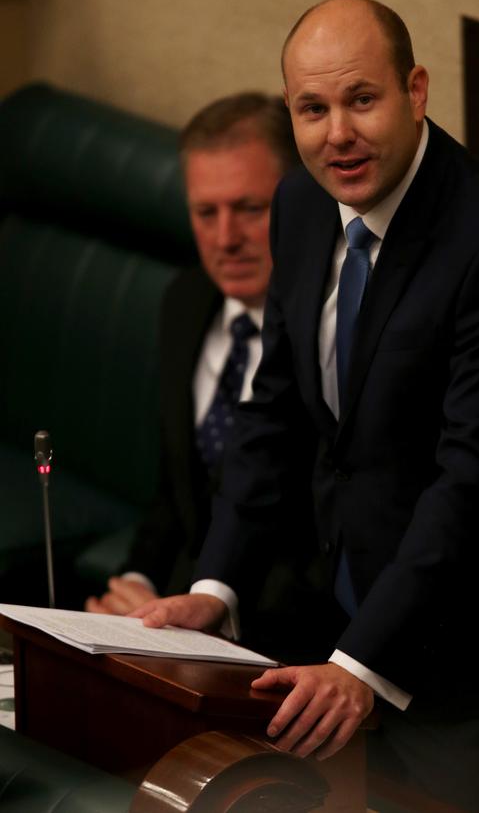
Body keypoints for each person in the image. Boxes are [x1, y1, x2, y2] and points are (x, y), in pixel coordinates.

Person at [132, 0, 479, 811]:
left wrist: (360, 665)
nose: (337, 134)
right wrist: (218, 585)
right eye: (313, 110)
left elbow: (474, 483)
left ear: (416, 91)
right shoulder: (302, 204)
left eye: (361, 99)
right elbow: (274, 409)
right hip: (335, 628)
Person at [86, 93, 327, 654]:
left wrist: (200, 622)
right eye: (205, 212)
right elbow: (176, 493)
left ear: (302, 202)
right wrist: (138, 590)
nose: (225, 239)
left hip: (291, 642)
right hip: (181, 617)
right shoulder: (188, 300)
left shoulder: (339, 339)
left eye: (249, 208)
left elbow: (326, 549)